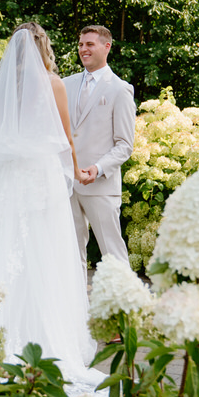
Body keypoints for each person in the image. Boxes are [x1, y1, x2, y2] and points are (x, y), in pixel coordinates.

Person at [0, 24, 104, 391]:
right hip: (40, 180)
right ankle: (46, 341)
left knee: (3, 245)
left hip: (11, 179)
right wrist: (74, 172)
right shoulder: (52, 83)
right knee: (46, 252)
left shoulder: (9, 88)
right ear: (44, 47)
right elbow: (66, 137)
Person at [64, 25, 136, 266]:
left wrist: (98, 168)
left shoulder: (120, 89)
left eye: (89, 44)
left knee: (113, 254)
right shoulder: (65, 85)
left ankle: (127, 303)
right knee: (71, 256)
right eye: (81, 44)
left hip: (101, 185)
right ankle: (77, 304)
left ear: (107, 47)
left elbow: (124, 144)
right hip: (67, 183)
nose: (83, 49)